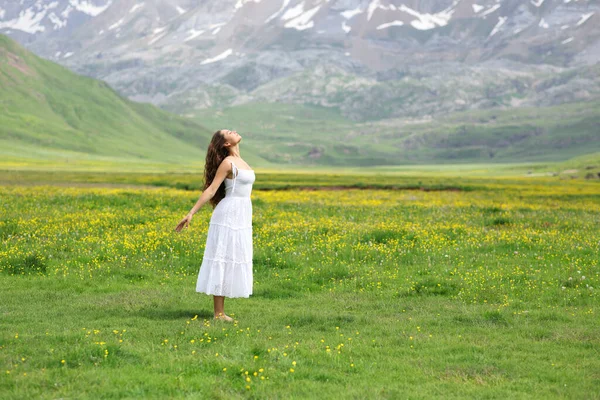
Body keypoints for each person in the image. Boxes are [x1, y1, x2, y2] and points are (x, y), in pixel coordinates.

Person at [175, 129, 255, 322]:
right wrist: (191, 213)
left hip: (241, 214)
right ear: (226, 143)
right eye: (228, 132)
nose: (233, 131)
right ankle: (218, 313)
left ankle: (221, 312)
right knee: (223, 257)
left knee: (234, 257)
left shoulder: (242, 161)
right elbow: (211, 189)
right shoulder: (227, 163)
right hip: (228, 215)